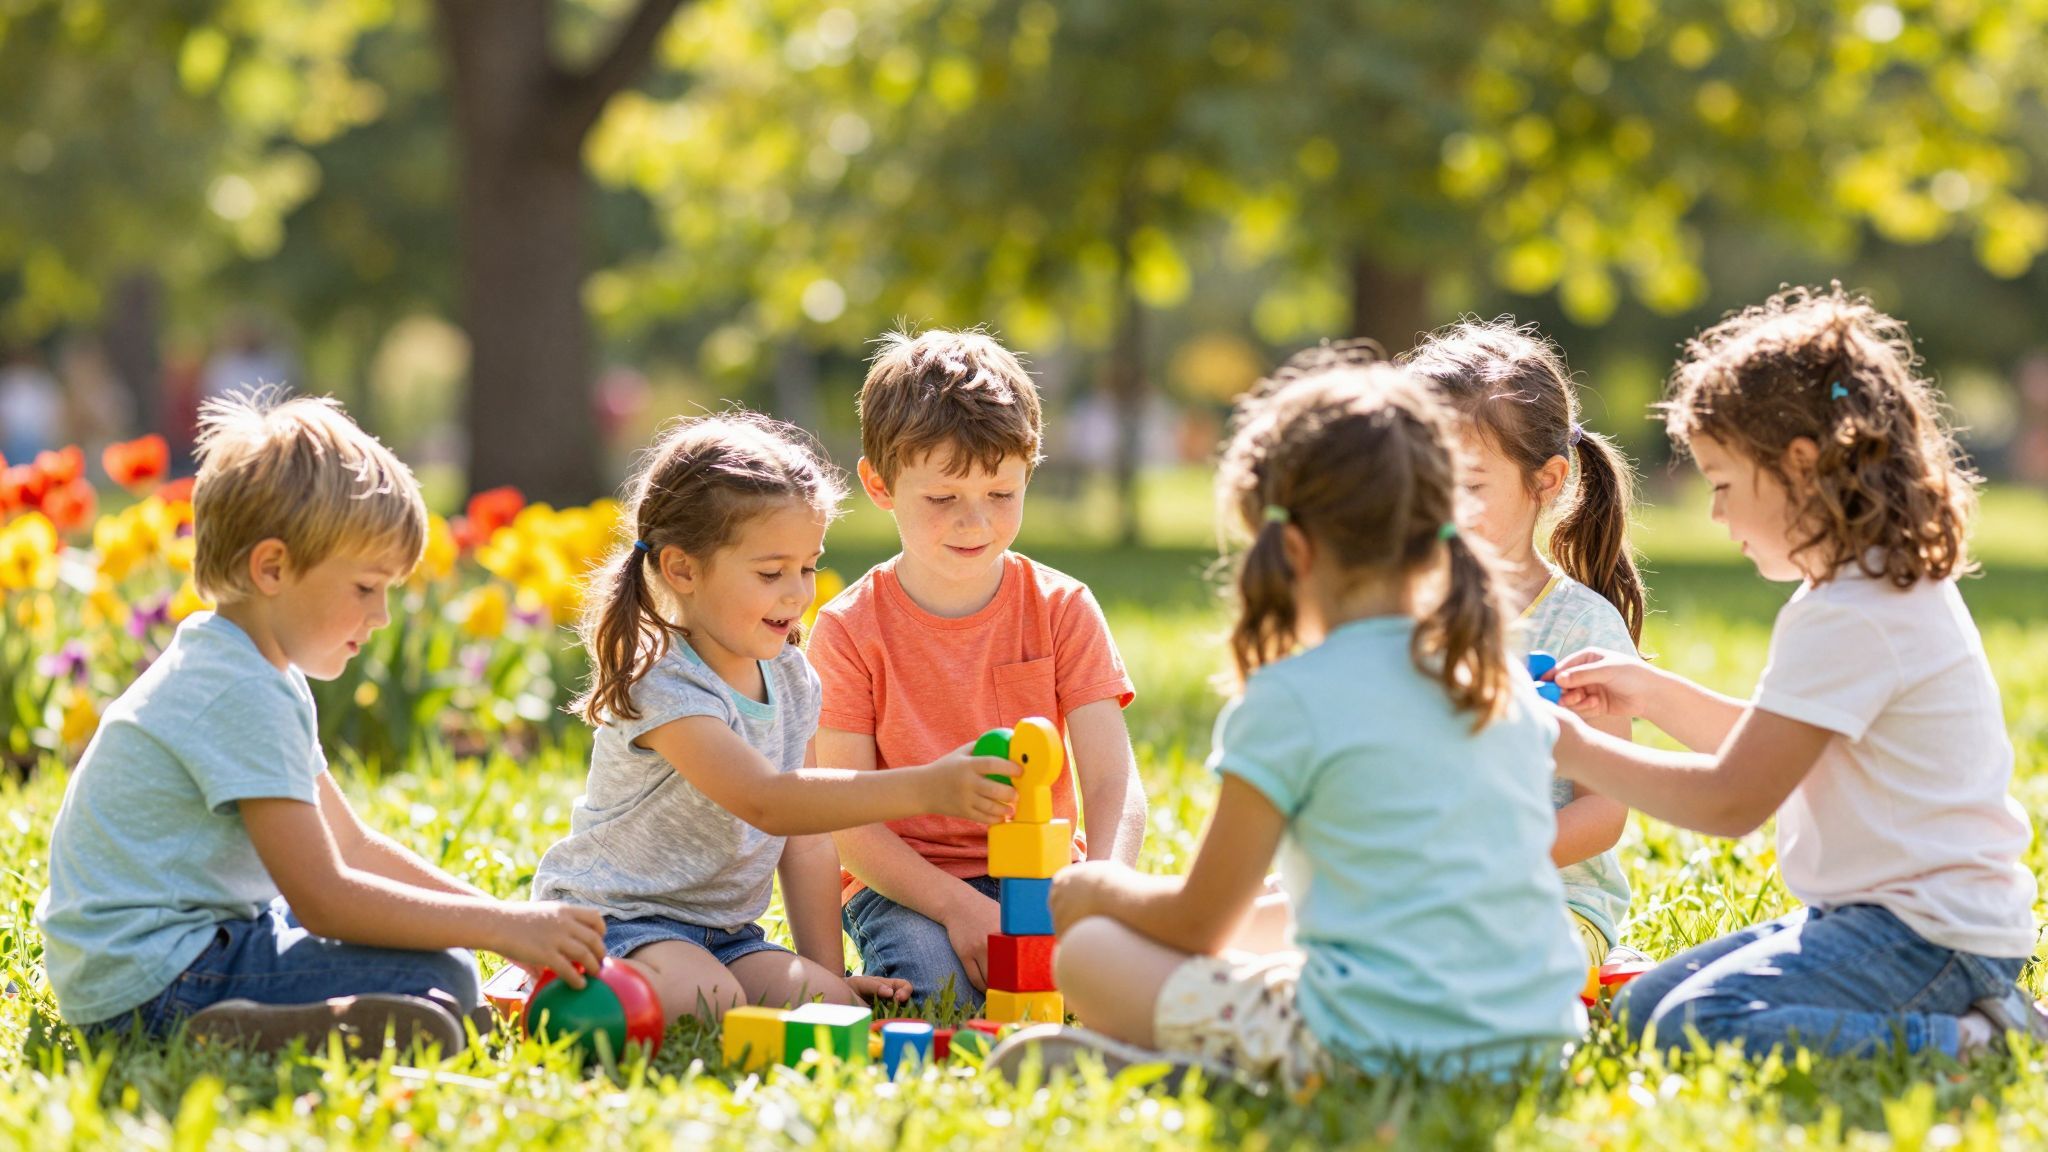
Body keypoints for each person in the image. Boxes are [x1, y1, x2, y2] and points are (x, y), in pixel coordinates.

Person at [1015, 348, 1587, 1086]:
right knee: (1274, 931)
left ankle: (1214, 1067)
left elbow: (1198, 922)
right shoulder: (1490, 673)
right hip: (1532, 1041)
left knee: (1089, 957)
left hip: (1367, 1048)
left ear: (1289, 548)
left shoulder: (1292, 697)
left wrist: (1094, 890)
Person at [1548, 285, 2045, 1057]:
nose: (1714, 516)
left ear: (1800, 468)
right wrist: (1648, 692)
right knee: (1648, 1004)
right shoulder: (1869, 585)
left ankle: (1973, 1038)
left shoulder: (1851, 612)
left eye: (1721, 485)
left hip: (1927, 934)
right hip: (1882, 916)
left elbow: (1732, 799)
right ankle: (1971, 1017)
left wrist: (1572, 748)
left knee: (1692, 1023)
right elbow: (1775, 745)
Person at [37, 390, 607, 1052]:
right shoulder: (237, 692)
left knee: (446, 964)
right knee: (440, 968)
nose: (382, 616)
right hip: (155, 981)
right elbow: (324, 897)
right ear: (272, 567)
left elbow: (354, 847)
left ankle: (330, 1015)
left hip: (158, 958)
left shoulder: (250, 669)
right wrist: (498, 929)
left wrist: (504, 922)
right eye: (366, 588)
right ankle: (243, 1030)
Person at [532, 412, 1015, 1027]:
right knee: (709, 1002)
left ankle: (741, 986)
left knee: (834, 1008)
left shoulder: (791, 676)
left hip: (728, 934)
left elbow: (807, 838)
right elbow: (767, 802)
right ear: (682, 569)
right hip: (621, 920)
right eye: (771, 573)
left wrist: (830, 977)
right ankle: (556, 969)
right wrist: (926, 786)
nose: (797, 593)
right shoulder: (665, 683)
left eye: (808, 567)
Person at [806, 328, 1148, 1011]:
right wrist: (958, 907)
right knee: (943, 994)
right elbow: (846, 821)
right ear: (880, 484)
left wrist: (1101, 889)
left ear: (1030, 471)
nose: (976, 523)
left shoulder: (1062, 607)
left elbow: (1114, 782)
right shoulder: (847, 628)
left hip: (1048, 874)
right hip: (909, 885)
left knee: (1113, 986)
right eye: (942, 499)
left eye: (1001, 494)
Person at [1404, 319, 1645, 974]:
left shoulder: (1580, 628)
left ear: (1547, 481)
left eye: (1470, 486)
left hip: (1549, 903)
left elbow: (1603, 810)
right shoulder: (1400, 614)